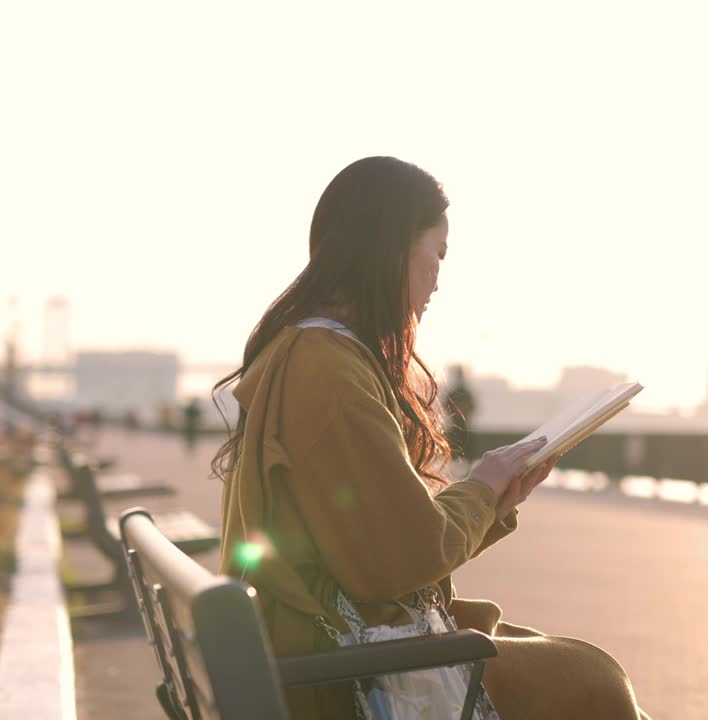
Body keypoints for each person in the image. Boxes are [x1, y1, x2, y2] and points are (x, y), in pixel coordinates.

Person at [213, 157, 651, 720]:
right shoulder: (331, 373)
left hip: (308, 647)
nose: (439, 279)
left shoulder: (312, 354)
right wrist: (483, 486)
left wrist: (493, 500)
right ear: (394, 247)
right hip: (335, 674)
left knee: (542, 648)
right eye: (438, 254)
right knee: (595, 679)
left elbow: (372, 542)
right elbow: (398, 559)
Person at [442, 363, 477, 463]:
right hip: (458, 426)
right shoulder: (458, 392)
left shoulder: (460, 392)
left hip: (462, 426)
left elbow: (472, 407)